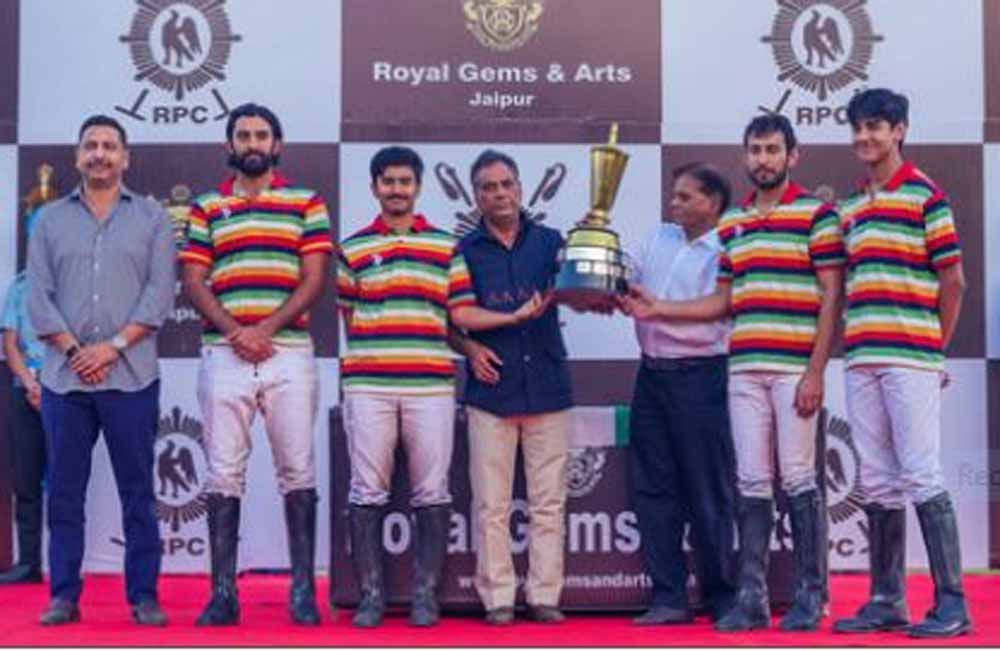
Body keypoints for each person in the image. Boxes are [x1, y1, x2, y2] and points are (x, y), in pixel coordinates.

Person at [635, 115, 844, 632]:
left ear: (792, 155)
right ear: (745, 156)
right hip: (743, 368)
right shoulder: (734, 224)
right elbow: (723, 301)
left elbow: (832, 295)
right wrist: (658, 308)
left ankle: (810, 596)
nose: (763, 159)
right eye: (755, 150)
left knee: (799, 479)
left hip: (793, 368)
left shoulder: (817, 215)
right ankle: (751, 598)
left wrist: (816, 371)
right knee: (751, 482)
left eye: (773, 150)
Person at [179, 103, 333, 626]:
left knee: (298, 469)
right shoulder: (206, 207)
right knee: (223, 473)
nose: (252, 143)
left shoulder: (306, 202)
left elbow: (314, 279)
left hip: (288, 351)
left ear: (277, 145)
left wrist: (264, 329)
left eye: (261, 135)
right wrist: (236, 332)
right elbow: (194, 280)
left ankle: (302, 593)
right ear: (229, 145)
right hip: (224, 352)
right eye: (242, 135)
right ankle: (223, 594)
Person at [832, 88, 971, 638]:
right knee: (876, 481)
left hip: (910, 355)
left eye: (875, 126)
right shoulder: (850, 206)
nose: (865, 137)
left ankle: (953, 605)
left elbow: (954, 282)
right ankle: (888, 599)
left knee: (920, 473)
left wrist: (934, 349)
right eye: (858, 128)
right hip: (861, 356)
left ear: (900, 131)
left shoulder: (925, 196)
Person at [26, 114, 176, 626]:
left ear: (125, 158)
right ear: (77, 156)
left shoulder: (153, 219)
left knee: (139, 492)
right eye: (90, 145)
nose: (100, 154)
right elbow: (38, 298)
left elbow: (159, 295)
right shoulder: (49, 220)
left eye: (110, 146)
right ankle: (64, 596)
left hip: (131, 378)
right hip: (65, 381)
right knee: (65, 493)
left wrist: (110, 348)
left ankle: (144, 595)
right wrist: (76, 352)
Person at [337, 146, 473, 627]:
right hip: (368, 385)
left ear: (417, 187)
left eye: (405, 182)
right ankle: (371, 596)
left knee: (432, 490)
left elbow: (459, 316)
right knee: (366, 490)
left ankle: (425, 595)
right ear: (375, 187)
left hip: (430, 385)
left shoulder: (447, 247)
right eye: (388, 182)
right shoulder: (351, 247)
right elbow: (349, 316)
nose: (397, 190)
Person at [449, 150, 572, 625]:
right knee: (491, 504)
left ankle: (544, 595)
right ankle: (497, 597)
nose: (499, 193)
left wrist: (592, 261)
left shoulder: (551, 242)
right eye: (489, 187)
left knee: (549, 502)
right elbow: (455, 316)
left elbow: (579, 291)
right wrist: (476, 341)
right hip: (492, 389)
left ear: (520, 188)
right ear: (475, 195)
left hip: (547, 383)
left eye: (507, 184)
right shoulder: (462, 251)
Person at [618, 163, 737, 624]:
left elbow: (720, 306)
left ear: (713, 203)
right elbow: (627, 272)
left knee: (708, 489)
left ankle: (721, 594)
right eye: (675, 195)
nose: (674, 203)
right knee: (653, 489)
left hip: (701, 377)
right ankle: (668, 596)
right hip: (651, 375)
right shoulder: (658, 236)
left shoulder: (728, 245)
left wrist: (658, 308)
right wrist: (606, 275)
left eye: (685, 197)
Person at [0, 211, 47, 585]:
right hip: (25, 391)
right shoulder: (19, 287)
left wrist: (52, 385)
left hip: (69, 393)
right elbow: (10, 344)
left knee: (67, 484)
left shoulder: (77, 284)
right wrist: (31, 384)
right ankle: (29, 562)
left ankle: (67, 564)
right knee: (26, 481)